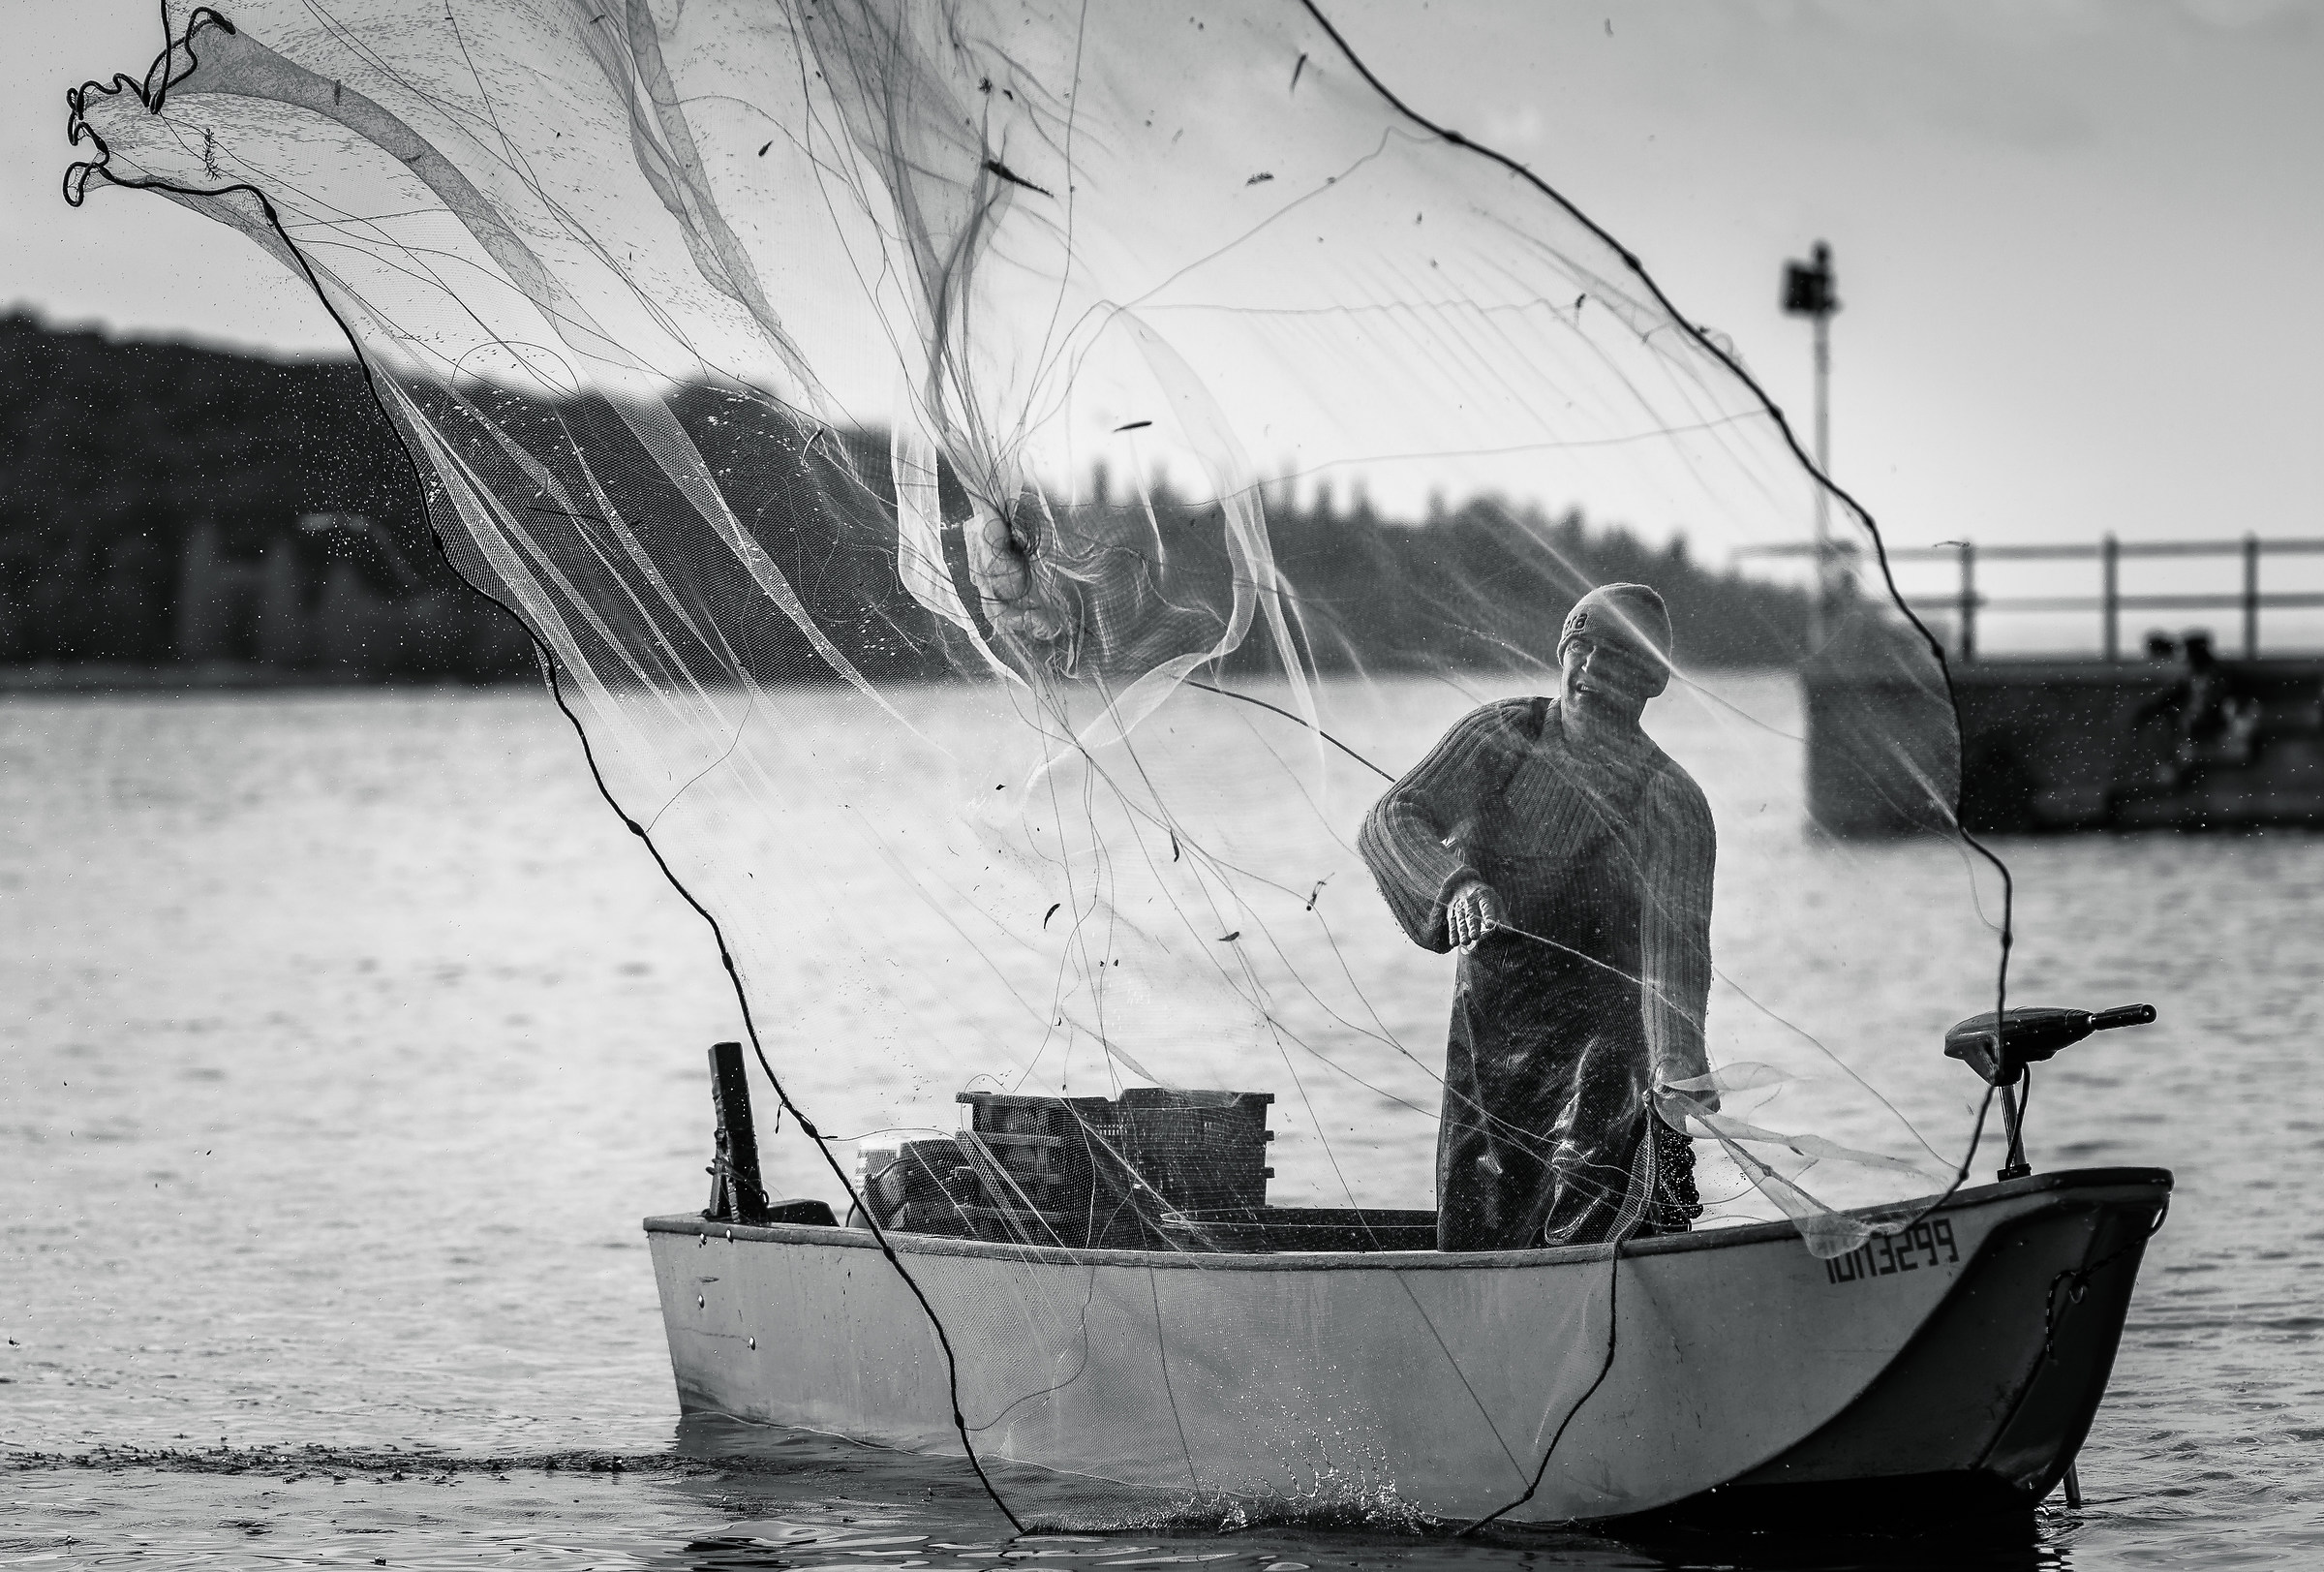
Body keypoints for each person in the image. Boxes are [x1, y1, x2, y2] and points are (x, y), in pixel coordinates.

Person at [1359, 583, 1716, 1251]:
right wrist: (1455, 887)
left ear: (1653, 680)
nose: (1591, 671)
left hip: (1610, 1065)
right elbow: (1389, 819)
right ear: (1561, 652)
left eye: (1617, 659)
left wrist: (1677, 1063)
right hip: (1490, 1048)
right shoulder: (1501, 737)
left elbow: (1678, 954)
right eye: (1581, 648)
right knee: (1478, 1228)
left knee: (1599, 1231)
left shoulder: (1672, 801)